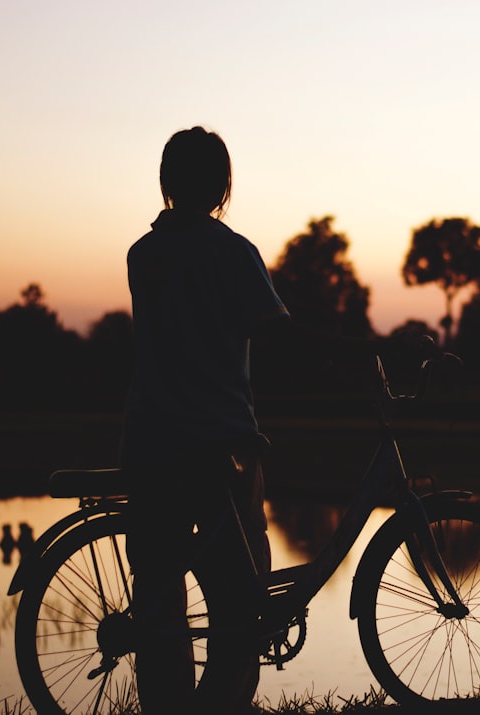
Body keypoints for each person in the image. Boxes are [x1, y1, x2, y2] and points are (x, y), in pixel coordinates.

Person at [121, 126, 287, 713]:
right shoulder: (231, 251)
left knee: (160, 595)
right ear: (222, 185)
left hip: (151, 442)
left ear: (166, 183)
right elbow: (277, 331)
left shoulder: (143, 255)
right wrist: (366, 351)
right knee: (239, 604)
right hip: (220, 446)